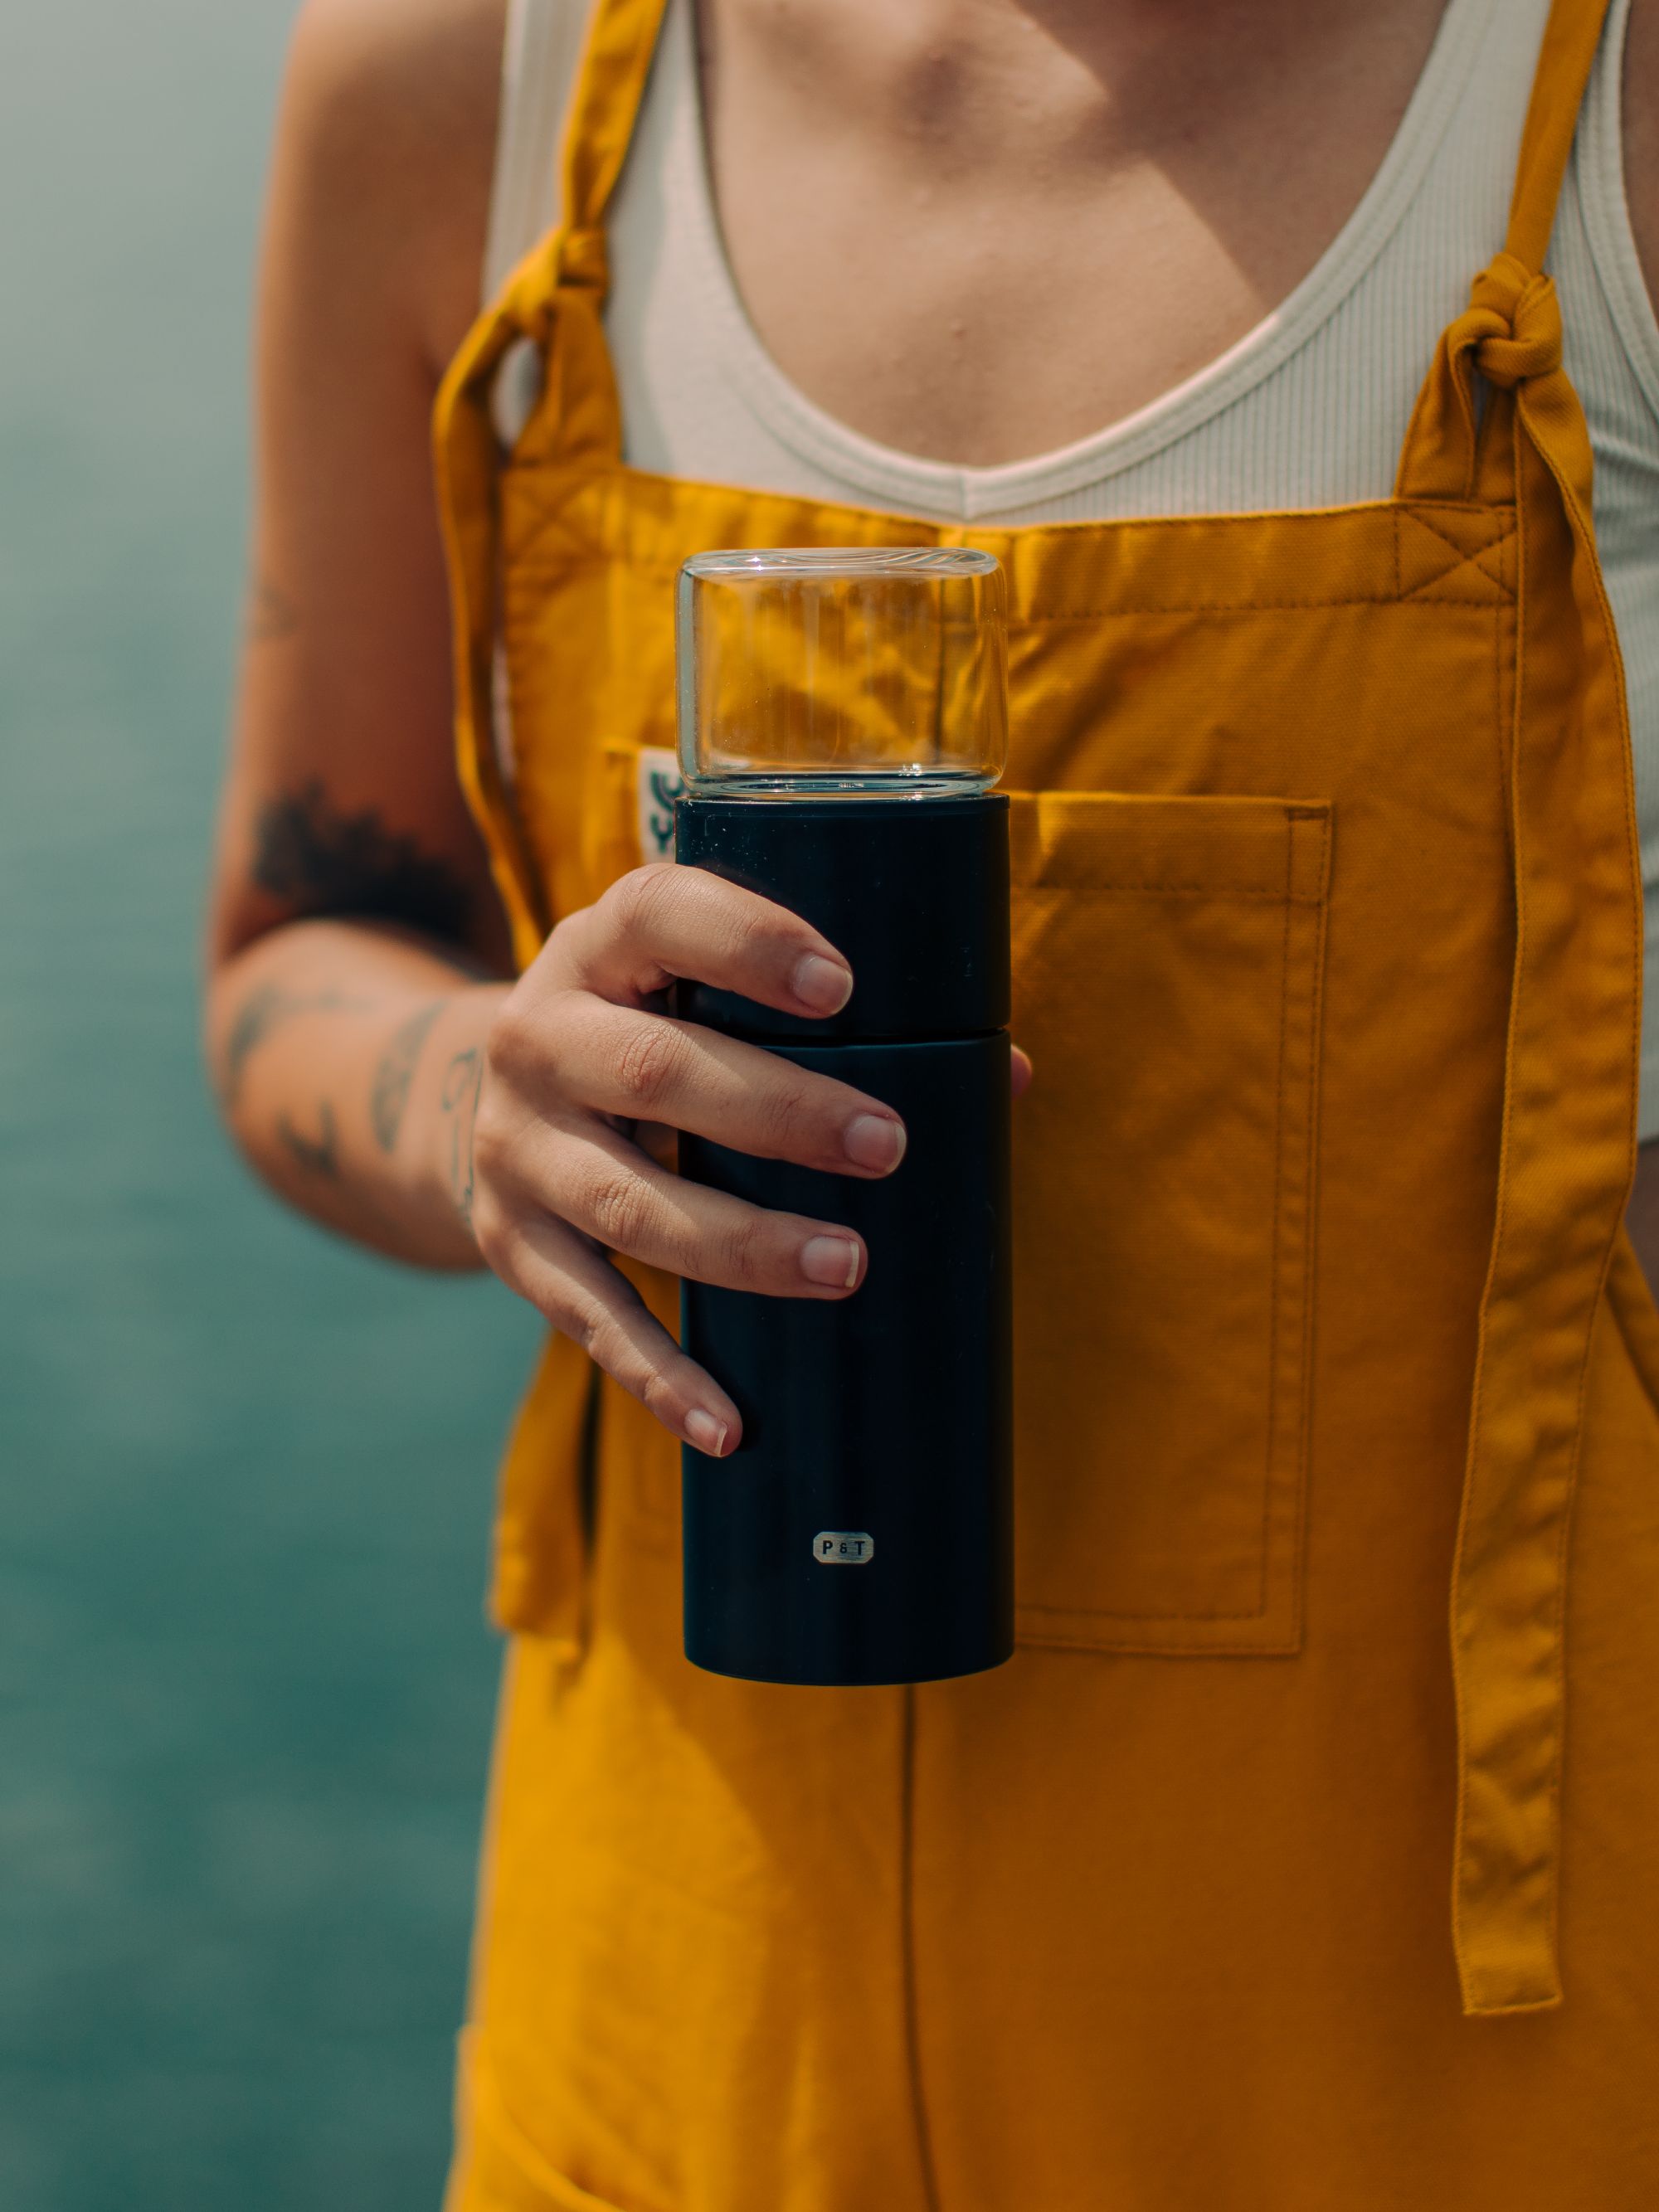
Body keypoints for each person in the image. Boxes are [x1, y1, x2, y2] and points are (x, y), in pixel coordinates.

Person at [206, 0, 1659, 2203]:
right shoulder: (457, 86)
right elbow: (296, 951)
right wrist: (486, 1103)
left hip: (1482, 2038)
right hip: (671, 2039)